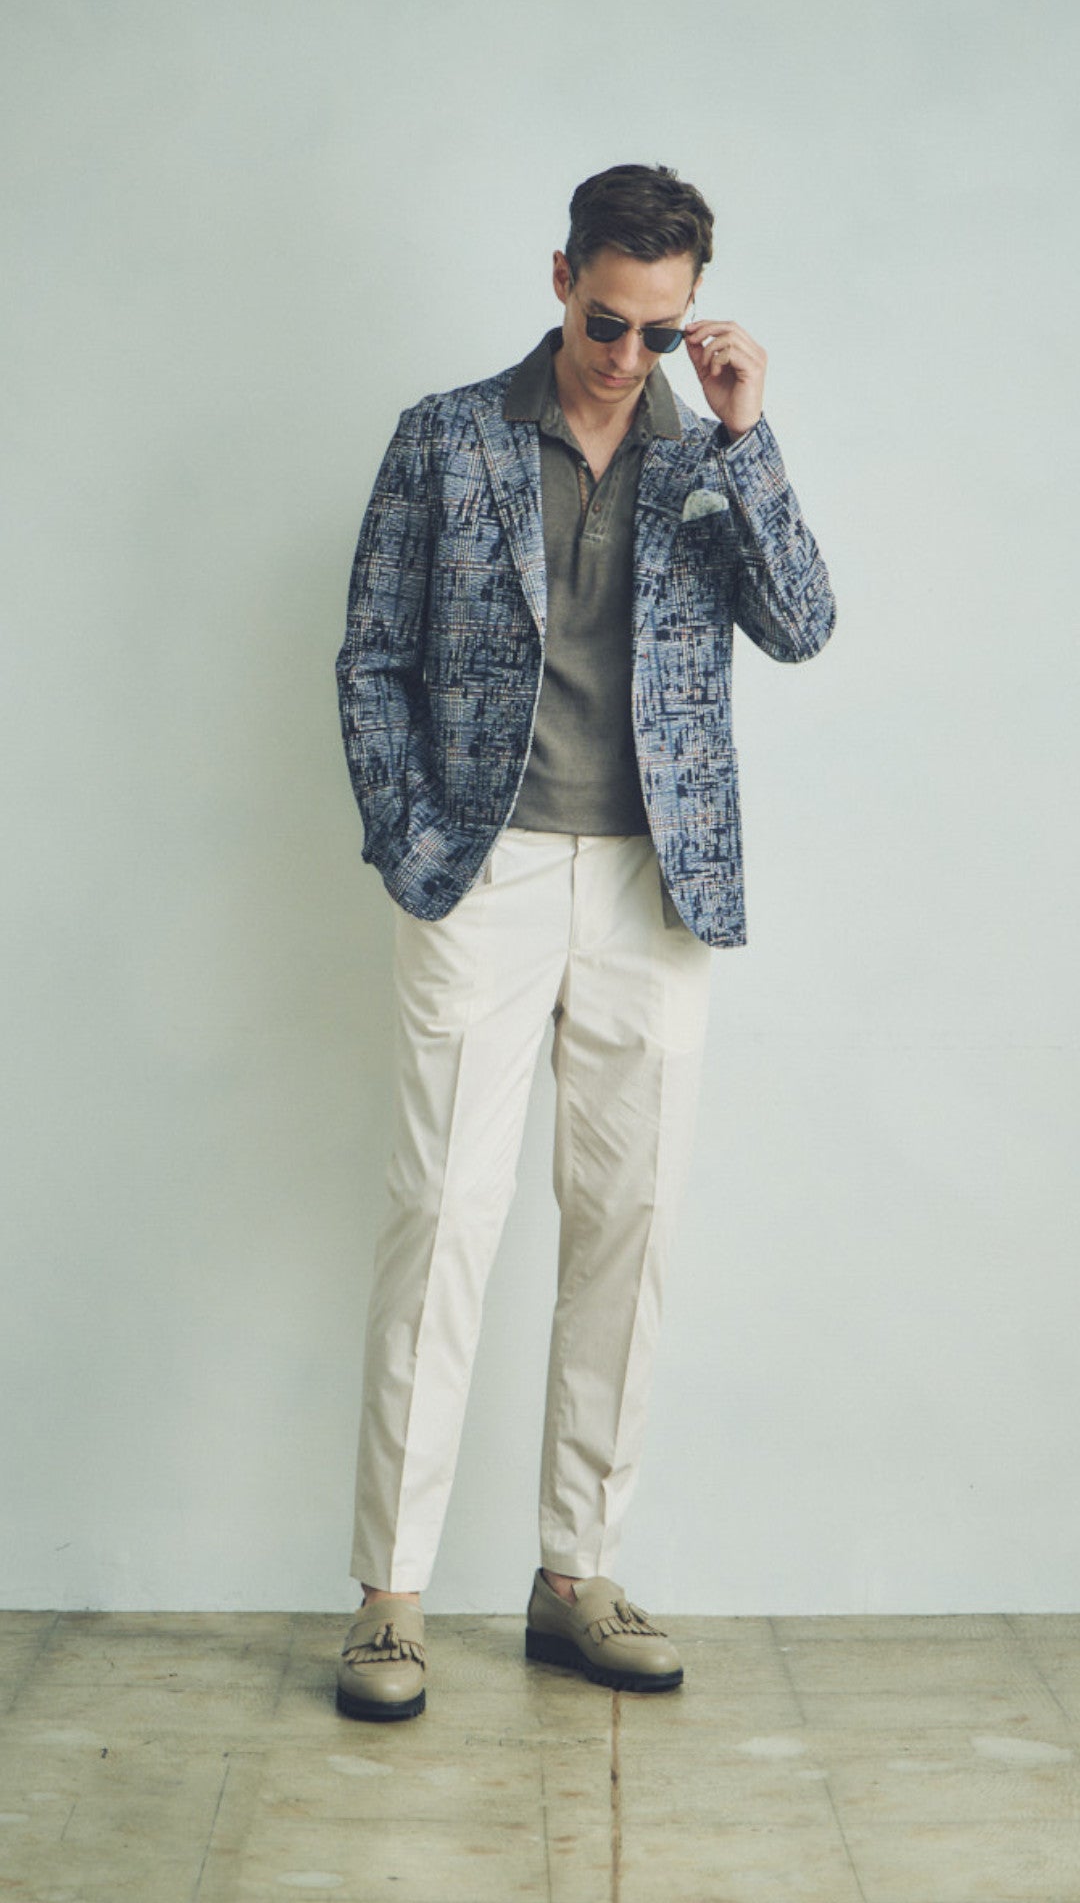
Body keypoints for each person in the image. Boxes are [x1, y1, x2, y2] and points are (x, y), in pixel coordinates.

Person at [334, 163, 835, 1721]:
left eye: (660, 332)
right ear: (561, 280)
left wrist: (748, 437)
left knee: (629, 1225)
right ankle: (390, 1601)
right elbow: (371, 656)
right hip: (479, 874)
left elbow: (804, 624)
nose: (627, 356)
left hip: (651, 888)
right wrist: (412, 844)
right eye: (607, 320)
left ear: (695, 318)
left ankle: (576, 1579)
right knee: (445, 1215)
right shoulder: (447, 436)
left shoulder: (705, 453)